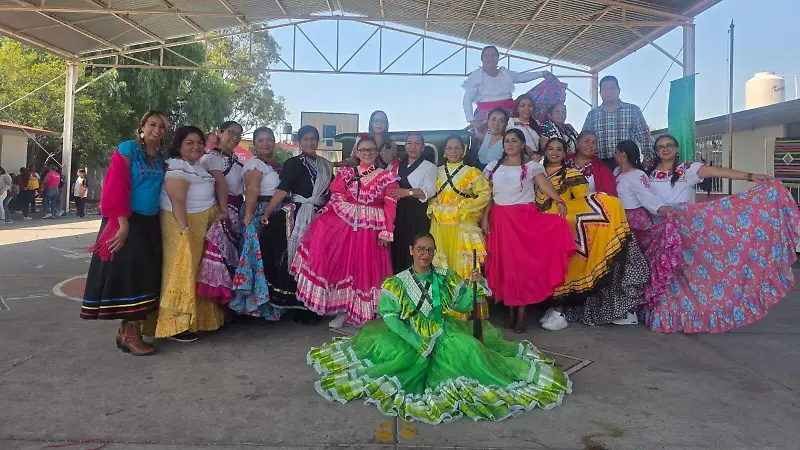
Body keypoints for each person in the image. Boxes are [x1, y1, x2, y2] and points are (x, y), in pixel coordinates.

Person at [307, 232, 572, 424]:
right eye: (421, 249)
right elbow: (391, 318)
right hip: (408, 333)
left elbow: (463, 305)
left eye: (430, 250)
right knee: (400, 363)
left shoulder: (445, 277)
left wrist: (473, 285)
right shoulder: (396, 282)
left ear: (435, 252)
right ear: (411, 250)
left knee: (469, 350)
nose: (425, 254)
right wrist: (415, 341)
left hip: (443, 329)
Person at [640, 135, 800, 333]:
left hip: (680, 227)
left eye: (669, 146)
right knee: (659, 272)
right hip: (654, 228)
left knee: (681, 271)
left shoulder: (687, 169)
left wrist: (750, 176)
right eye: (661, 147)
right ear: (656, 151)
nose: (665, 149)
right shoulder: (648, 173)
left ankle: (682, 314)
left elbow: (718, 171)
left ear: (676, 149)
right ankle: (661, 311)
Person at [535, 138, 648, 329]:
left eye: (559, 149)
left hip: (563, 225)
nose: (554, 152)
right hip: (541, 225)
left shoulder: (570, 173)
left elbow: (581, 198)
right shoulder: (536, 172)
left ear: (564, 153)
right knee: (547, 267)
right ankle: (552, 309)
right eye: (551, 149)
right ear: (545, 152)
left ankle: (559, 313)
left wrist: (605, 202)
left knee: (565, 266)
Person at [81, 110, 169, 356]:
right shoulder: (128, 149)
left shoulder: (162, 159)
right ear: (142, 127)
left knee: (146, 276)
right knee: (133, 277)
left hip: (151, 223)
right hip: (127, 221)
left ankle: (126, 331)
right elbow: (116, 184)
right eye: (152, 124)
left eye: (162, 127)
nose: (157, 130)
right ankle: (131, 334)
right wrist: (123, 223)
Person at [291, 136, 399, 329]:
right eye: (363, 150)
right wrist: (326, 216)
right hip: (347, 226)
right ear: (357, 152)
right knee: (346, 268)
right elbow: (336, 198)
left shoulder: (386, 176)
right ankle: (343, 311)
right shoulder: (347, 173)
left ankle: (366, 313)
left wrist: (387, 231)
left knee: (366, 269)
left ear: (376, 153)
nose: (367, 153)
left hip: (372, 228)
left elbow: (390, 206)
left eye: (371, 150)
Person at [481, 129, 575, 333]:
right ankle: (510, 310)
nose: (510, 144)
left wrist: (558, 200)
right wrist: (485, 218)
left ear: (523, 144)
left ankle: (521, 312)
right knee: (505, 264)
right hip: (500, 220)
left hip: (523, 220)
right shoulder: (493, 167)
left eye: (514, 141)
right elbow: (488, 195)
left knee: (522, 266)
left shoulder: (531, 166)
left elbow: (544, 183)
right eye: (507, 141)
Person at [142, 126, 223, 342]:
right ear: (179, 146)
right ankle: (176, 325)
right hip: (182, 224)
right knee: (180, 270)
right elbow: (177, 198)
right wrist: (184, 228)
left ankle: (196, 321)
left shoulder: (199, 166)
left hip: (201, 224)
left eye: (199, 142)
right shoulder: (178, 165)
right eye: (190, 142)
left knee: (198, 272)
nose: (196, 146)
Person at [261, 124, 334, 324]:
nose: (309, 142)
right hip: (298, 217)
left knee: (316, 260)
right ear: (299, 142)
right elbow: (283, 189)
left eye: (313, 139)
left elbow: (332, 192)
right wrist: (268, 212)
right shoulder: (293, 163)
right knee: (297, 258)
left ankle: (314, 304)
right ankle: (298, 303)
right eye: (305, 139)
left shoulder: (327, 166)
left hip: (321, 216)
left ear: (318, 141)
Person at [231, 127, 294, 319]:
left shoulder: (273, 165)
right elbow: (252, 190)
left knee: (272, 257)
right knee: (259, 256)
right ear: (254, 144)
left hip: (276, 211)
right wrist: (249, 216)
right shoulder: (254, 164)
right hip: (260, 211)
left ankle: (272, 304)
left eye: (269, 139)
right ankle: (257, 306)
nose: (266, 143)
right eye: (261, 140)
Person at [428, 135, 491, 321]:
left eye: (457, 148)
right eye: (449, 148)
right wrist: (432, 207)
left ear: (463, 150)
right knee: (440, 264)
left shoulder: (472, 172)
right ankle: (442, 310)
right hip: (439, 224)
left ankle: (463, 311)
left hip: (462, 224)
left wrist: (466, 208)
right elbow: (431, 194)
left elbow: (485, 194)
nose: (453, 151)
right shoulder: (436, 171)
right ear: (444, 151)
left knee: (463, 266)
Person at [613, 140, 679, 310]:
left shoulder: (637, 175)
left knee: (634, 262)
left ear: (623, 154)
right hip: (619, 219)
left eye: (616, 152)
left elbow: (646, 196)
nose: (614, 155)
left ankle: (637, 304)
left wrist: (662, 209)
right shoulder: (616, 172)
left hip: (634, 221)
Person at [196, 120, 245, 305]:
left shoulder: (235, 159)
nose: (235, 137)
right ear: (220, 132)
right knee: (220, 256)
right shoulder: (211, 158)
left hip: (237, 210)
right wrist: (224, 210)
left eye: (238, 134)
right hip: (223, 211)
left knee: (233, 257)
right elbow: (220, 183)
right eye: (231, 132)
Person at [462, 45, 550, 137]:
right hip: (487, 118)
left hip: (509, 114)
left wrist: (541, 74)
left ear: (497, 58)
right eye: (487, 56)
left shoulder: (505, 73)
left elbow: (520, 77)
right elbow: (467, 99)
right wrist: (472, 120)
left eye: (493, 55)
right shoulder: (476, 76)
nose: (490, 58)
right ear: (482, 59)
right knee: (491, 141)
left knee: (513, 139)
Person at [582, 76, 654, 170]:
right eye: (605, 89)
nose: (609, 92)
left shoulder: (633, 110)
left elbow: (645, 136)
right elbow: (584, 139)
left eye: (612, 88)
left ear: (618, 90)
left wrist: (648, 159)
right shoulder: (592, 115)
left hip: (627, 163)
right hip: (600, 165)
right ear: (600, 93)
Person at [390, 133, 437, 273]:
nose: (412, 147)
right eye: (409, 143)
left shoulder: (429, 167)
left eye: (417, 143)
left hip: (416, 213)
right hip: (397, 212)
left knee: (415, 247)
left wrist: (407, 192)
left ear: (422, 147)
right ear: (405, 146)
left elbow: (429, 191)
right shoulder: (395, 165)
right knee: (396, 248)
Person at [565, 131, 617, 196]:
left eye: (593, 142)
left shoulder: (602, 168)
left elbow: (610, 195)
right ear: (577, 143)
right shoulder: (564, 161)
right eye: (586, 141)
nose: (590, 145)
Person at [506, 94, 542, 159]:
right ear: (517, 108)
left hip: (535, 161)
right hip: (516, 159)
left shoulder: (538, 124)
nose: (526, 108)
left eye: (530, 106)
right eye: (522, 105)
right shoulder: (510, 122)